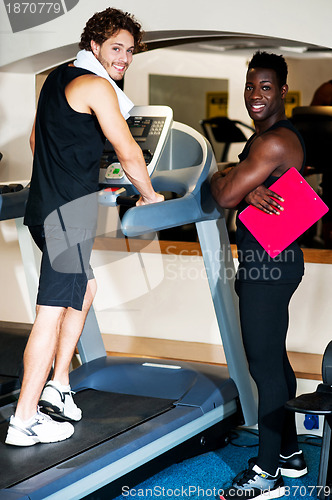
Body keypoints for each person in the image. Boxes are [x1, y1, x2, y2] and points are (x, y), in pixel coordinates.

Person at [5, 7, 163, 447]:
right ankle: (24, 419)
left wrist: (73, 164)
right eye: (116, 48)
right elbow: (129, 151)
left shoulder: (57, 78)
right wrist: (150, 195)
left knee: (85, 289)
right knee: (50, 315)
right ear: (94, 45)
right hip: (67, 219)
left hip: (42, 210)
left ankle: (58, 384)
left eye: (130, 51)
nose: (124, 58)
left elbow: (37, 142)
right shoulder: (97, 86)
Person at [211, 52, 307, 499]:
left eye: (265, 87)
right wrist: (248, 185)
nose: (255, 95)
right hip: (276, 260)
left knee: (263, 369)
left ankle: (266, 473)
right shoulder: (267, 140)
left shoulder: (271, 144)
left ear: (282, 91)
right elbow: (240, 190)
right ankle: (289, 452)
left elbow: (225, 194)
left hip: (269, 266)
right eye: (250, 86)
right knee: (276, 362)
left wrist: (232, 182)